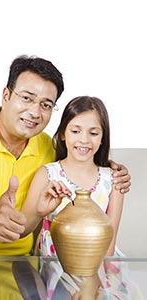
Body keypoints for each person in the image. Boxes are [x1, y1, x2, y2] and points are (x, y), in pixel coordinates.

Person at [0, 55, 130, 258]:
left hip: (21, 260)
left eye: (46, 105)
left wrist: (111, 169)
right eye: (27, 98)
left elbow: (80, 162)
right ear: (6, 96)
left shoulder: (48, 149)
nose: (35, 112)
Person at [22, 96, 143, 299]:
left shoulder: (113, 180)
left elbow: (110, 242)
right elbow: (26, 223)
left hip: (99, 264)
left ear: (103, 137)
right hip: (56, 263)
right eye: (75, 131)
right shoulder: (47, 174)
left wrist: (93, 282)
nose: (84, 140)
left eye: (93, 133)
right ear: (62, 134)